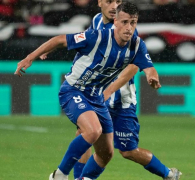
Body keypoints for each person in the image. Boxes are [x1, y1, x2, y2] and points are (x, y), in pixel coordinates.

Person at [15, 2, 161, 180]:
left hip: (96, 97)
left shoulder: (137, 45)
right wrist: (30, 57)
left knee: (106, 154)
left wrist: (151, 77)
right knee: (92, 131)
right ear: (115, 21)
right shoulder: (97, 36)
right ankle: (59, 175)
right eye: (124, 22)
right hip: (74, 90)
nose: (129, 28)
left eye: (133, 22)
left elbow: (149, 67)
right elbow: (61, 39)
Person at [72, 1, 182, 180]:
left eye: (118, 1)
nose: (114, 5)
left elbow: (132, 67)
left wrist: (108, 90)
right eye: (110, 1)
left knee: (128, 151)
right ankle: (79, 178)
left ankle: (168, 174)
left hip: (122, 98)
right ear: (100, 2)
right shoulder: (97, 21)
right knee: (85, 133)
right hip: (97, 94)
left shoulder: (128, 31)